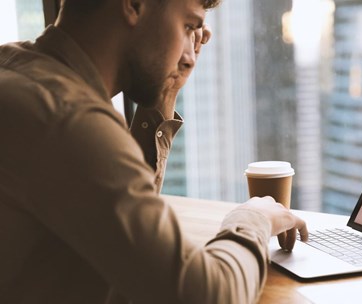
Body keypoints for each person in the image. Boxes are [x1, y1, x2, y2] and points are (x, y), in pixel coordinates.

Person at [0, 0, 308, 303]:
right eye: (189, 25)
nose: (188, 55)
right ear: (133, 5)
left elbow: (121, 233)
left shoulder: (18, 72)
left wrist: (165, 90)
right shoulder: (67, 121)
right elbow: (207, 297)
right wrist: (253, 218)